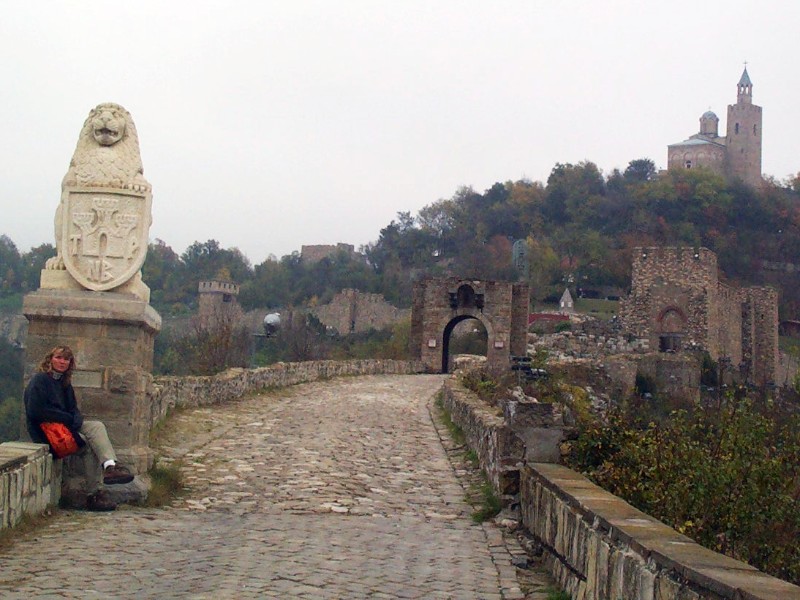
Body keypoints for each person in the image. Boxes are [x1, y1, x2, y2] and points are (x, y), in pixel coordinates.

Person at [24, 345, 134, 511]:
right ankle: (94, 495)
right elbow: (36, 411)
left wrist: (75, 419)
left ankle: (110, 466)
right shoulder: (40, 380)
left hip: (65, 426)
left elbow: (73, 408)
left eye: (66, 359)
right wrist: (69, 419)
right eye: (59, 358)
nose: (62, 362)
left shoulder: (64, 383)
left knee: (96, 427)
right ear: (50, 359)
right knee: (87, 445)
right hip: (47, 432)